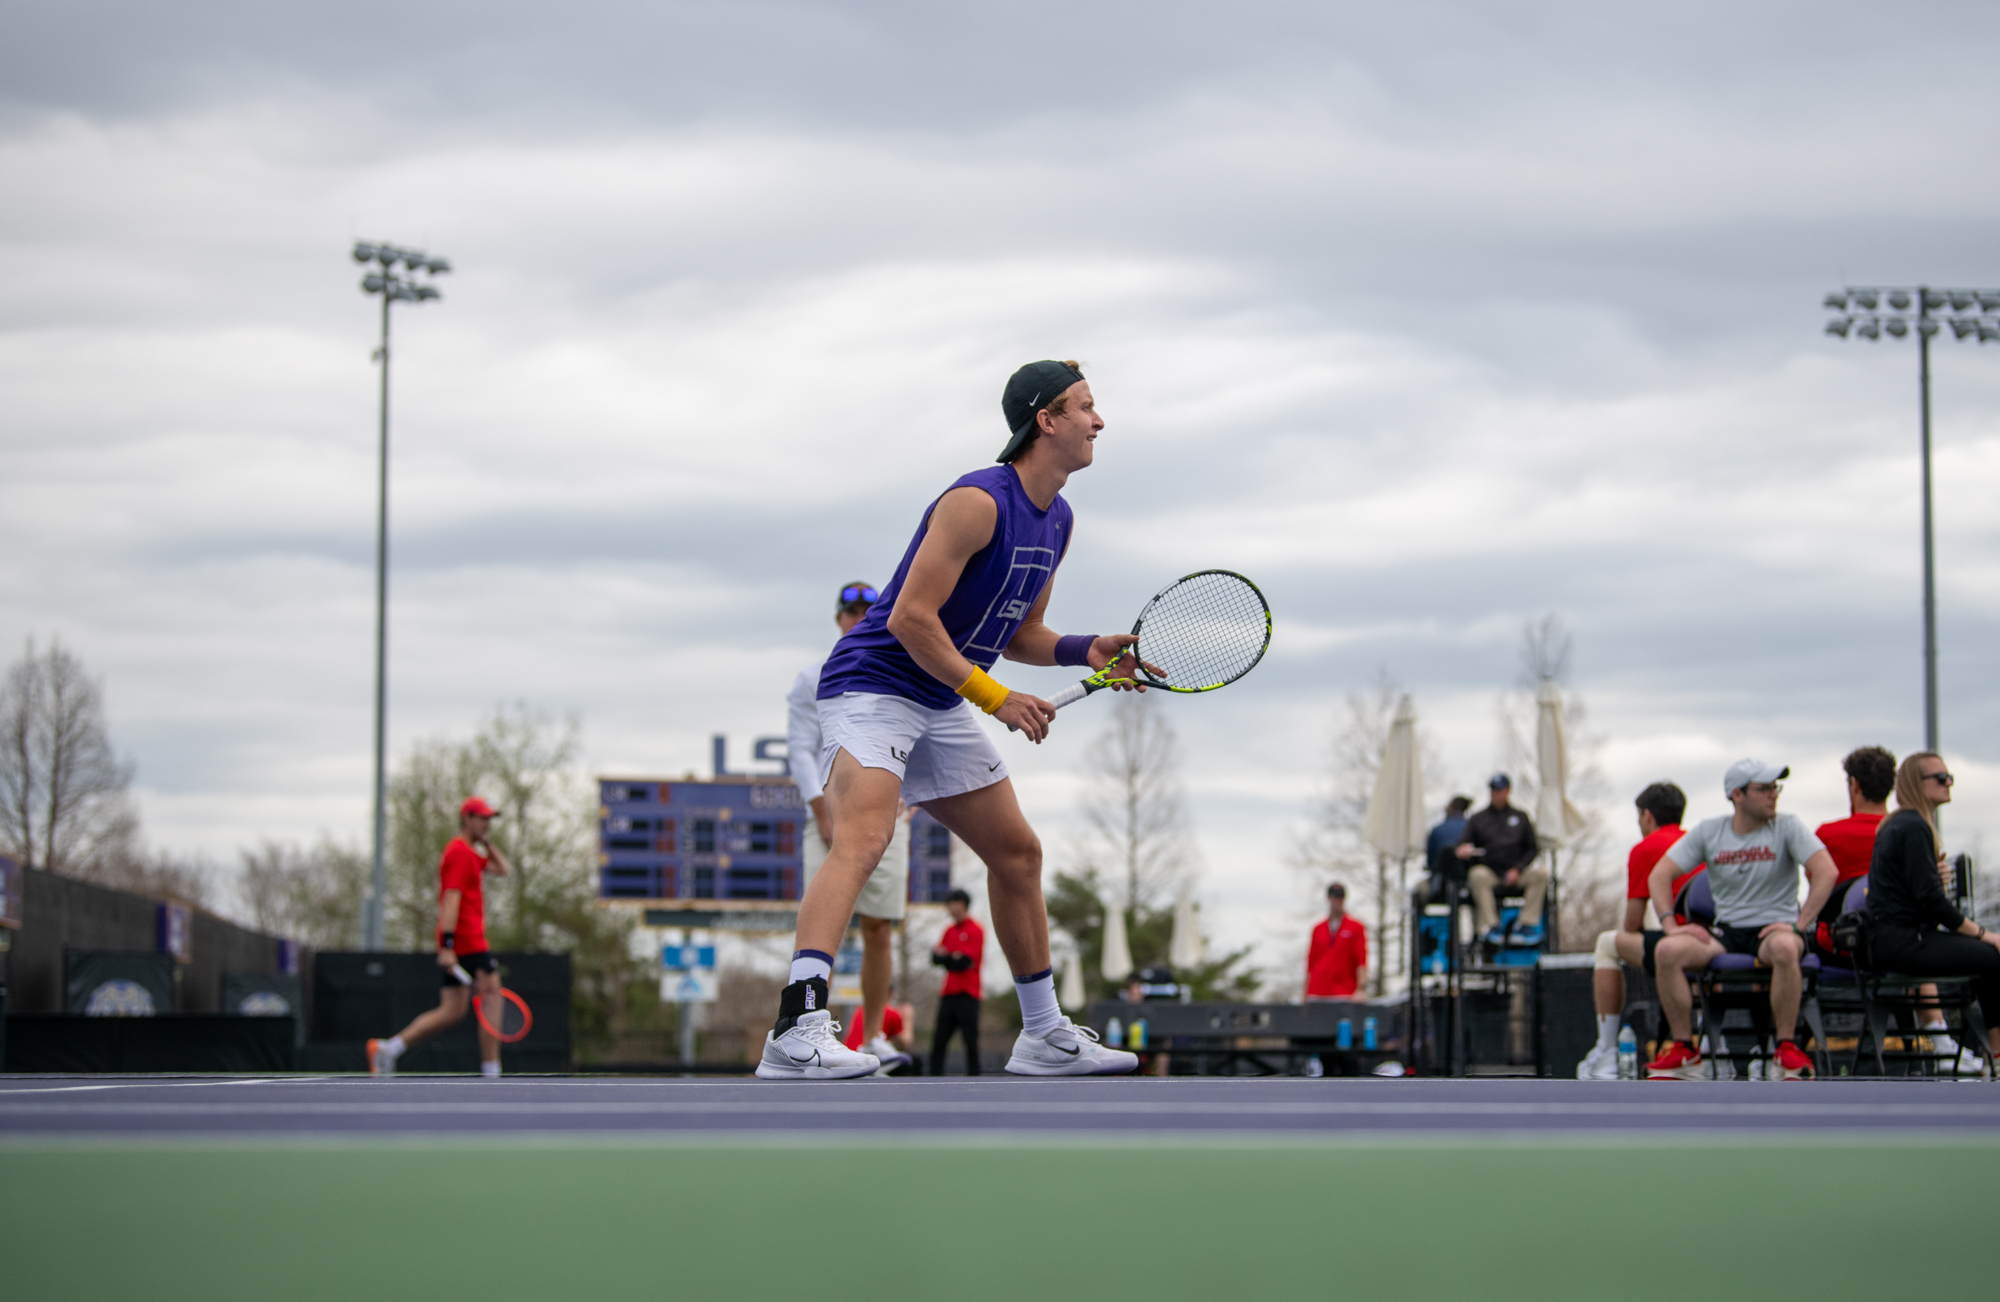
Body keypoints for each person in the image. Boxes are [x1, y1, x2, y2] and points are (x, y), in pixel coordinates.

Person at [755, 359, 1141, 1080]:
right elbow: (908, 618)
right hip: (872, 684)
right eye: (1085, 406)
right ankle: (797, 1028)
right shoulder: (976, 502)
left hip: (936, 694)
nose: (1099, 420)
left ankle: (1043, 1036)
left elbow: (1019, 631)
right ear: (1045, 421)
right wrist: (996, 699)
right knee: (864, 837)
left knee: (1017, 855)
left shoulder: (1058, 518)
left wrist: (1086, 648)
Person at [786, 579, 913, 1069]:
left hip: (887, 814)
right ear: (838, 618)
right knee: (822, 920)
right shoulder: (811, 676)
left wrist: (913, 793)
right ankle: (804, 1027)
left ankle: (875, 1034)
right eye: (850, 611)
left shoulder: (903, 670)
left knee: (880, 927)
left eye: (868, 609)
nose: (858, 618)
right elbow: (800, 746)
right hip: (828, 813)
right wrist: (821, 808)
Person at [1645, 760, 1838, 1081]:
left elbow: (1827, 871)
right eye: (1764, 788)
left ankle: (1785, 1049)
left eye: (1776, 788)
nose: (1773, 795)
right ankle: (1684, 1051)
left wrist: (1799, 925)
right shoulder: (1710, 831)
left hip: (1775, 929)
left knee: (1787, 949)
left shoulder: (1788, 826)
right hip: (1726, 932)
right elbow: (1659, 875)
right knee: (1666, 951)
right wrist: (1670, 926)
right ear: (1736, 794)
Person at [1865, 752, 1995, 1077]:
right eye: (1940, 778)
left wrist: (1932, 877)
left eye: (1950, 777)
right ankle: (1996, 1053)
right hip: (1902, 941)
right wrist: (1983, 934)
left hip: (1892, 938)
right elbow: (1931, 903)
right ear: (1916, 784)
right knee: (1993, 956)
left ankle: (1983, 1051)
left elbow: (1913, 890)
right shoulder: (1912, 826)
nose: (1948, 782)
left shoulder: (1902, 823)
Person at [368, 797, 512, 1079]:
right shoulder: (459, 852)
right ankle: (492, 1072)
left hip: (462, 942)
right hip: (466, 941)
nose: (487, 823)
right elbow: (451, 899)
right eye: (482, 818)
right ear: (466, 819)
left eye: (489, 819)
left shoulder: (471, 853)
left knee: (452, 1011)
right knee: (493, 997)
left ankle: (388, 1049)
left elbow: (503, 869)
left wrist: (487, 842)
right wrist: (448, 946)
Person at [1577, 782, 1704, 1079]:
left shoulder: (1646, 848)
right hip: (1712, 943)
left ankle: (1607, 1051)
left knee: (1607, 944)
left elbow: (1632, 924)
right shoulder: (1700, 844)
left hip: (1676, 945)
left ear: (1647, 816)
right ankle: (1715, 1049)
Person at [1455, 774, 1546, 943]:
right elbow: (1463, 842)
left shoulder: (1521, 817)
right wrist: (1462, 849)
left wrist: (1518, 869)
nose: (1495, 794)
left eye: (1498, 790)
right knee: (1477, 875)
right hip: (1490, 872)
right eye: (1492, 790)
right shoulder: (1478, 819)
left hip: (1516, 873)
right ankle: (1492, 926)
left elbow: (1532, 849)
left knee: (1541, 875)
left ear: (1507, 791)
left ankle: (1526, 924)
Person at [929, 888, 985, 1076]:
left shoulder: (976, 930)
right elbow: (936, 958)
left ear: (962, 904)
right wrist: (951, 958)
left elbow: (964, 962)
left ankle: (974, 1075)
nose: (950, 908)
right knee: (939, 1039)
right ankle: (933, 1075)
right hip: (949, 993)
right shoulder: (949, 930)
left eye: (952, 903)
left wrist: (950, 958)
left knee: (970, 1041)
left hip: (969, 994)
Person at [1305, 883, 1368, 998]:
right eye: (1335, 897)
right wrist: (1305, 994)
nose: (1338, 901)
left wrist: (1361, 989)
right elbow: (1310, 963)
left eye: (1341, 897)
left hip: (1345, 993)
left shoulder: (1356, 927)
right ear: (1329, 898)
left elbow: (1361, 961)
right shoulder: (1317, 929)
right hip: (1318, 993)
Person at [842, 983, 916, 1074]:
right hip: (866, 1058)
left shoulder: (859, 1010)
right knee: (911, 1061)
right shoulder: (892, 1013)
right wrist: (908, 1019)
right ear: (891, 994)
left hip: (848, 1057)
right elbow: (904, 1043)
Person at [1425, 796, 1472, 901]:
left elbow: (1430, 861)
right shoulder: (1471, 827)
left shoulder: (1437, 829)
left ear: (1451, 807)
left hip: (1439, 886)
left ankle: (1423, 917)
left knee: (1419, 890)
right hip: (1469, 884)